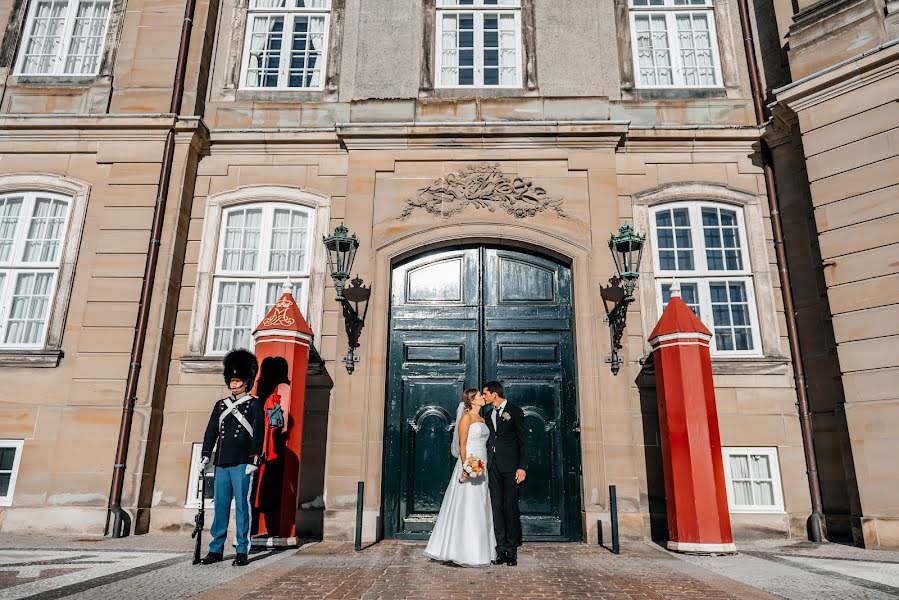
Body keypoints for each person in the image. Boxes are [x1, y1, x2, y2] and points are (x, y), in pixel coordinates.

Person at [197, 349, 265, 566]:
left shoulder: (254, 404)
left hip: (243, 463)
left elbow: (258, 432)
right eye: (232, 380)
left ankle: (242, 549)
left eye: (238, 380)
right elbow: (211, 432)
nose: (234, 384)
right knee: (221, 508)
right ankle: (215, 549)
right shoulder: (221, 405)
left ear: (247, 381)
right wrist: (206, 455)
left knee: (243, 508)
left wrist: (254, 460)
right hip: (223, 463)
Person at [423, 389, 497, 567]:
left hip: (483, 465)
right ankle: (464, 550)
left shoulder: (482, 419)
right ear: (472, 400)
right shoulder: (466, 418)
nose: (482, 397)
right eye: (480, 395)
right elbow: (462, 445)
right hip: (470, 464)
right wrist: (466, 467)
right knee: (469, 503)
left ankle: (482, 548)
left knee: (481, 503)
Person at [482, 380, 527, 567]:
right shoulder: (487, 414)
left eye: (485, 393)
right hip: (492, 467)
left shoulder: (515, 411)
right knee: (496, 507)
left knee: (510, 507)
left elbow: (523, 441)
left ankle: (512, 551)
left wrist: (522, 467)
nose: (483, 397)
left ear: (494, 393)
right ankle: (500, 550)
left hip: (511, 467)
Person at [253, 356, 291, 536]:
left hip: (271, 447)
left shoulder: (275, 395)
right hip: (267, 448)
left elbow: (277, 424)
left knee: (268, 488)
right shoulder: (273, 395)